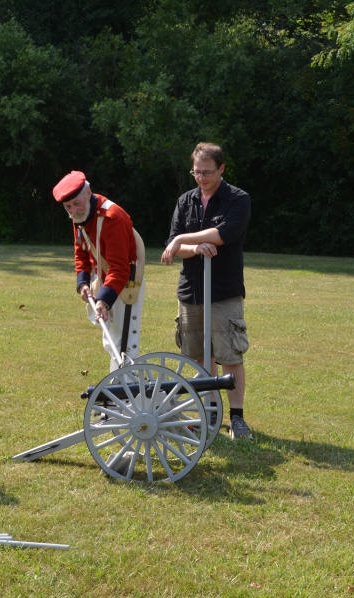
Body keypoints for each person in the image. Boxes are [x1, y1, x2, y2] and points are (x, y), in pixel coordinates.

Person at [160, 142, 252, 439]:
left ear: (221, 169)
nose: (201, 178)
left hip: (224, 290)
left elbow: (224, 234)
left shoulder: (237, 199)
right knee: (198, 356)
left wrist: (182, 241)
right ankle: (210, 413)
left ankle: (236, 418)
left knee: (230, 355)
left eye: (207, 172)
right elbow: (174, 246)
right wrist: (193, 247)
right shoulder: (186, 201)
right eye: (196, 172)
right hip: (191, 291)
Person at [52, 170, 144, 372]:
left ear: (88, 193)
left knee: (124, 344)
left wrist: (103, 300)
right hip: (105, 277)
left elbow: (120, 268)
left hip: (127, 279)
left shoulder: (112, 218)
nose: (73, 210)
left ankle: (127, 387)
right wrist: (83, 282)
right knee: (111, 341)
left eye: (76, 203)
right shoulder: (80, 216)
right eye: (68, 207)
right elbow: (81, 252)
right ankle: (118, 385)